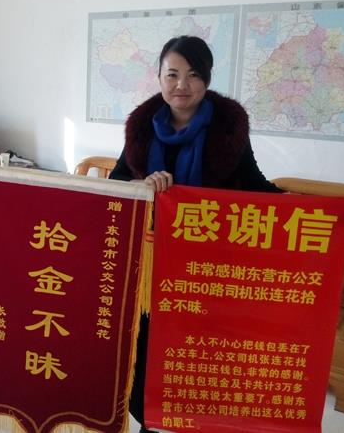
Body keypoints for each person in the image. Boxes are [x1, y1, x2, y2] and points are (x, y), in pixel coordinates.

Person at [109, 35, 281, 432]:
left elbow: (257, 187)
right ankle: (149, 422)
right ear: (159, 77)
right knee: (146, 358)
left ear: (207, 79)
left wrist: (326, 212)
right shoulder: (141, 130)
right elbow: (115, 185)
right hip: (152, 269)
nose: (181, 85)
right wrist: (142, 186)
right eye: (172, 74)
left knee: (197, 362)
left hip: (206, 270)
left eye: (193, 75)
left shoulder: (227, 129)